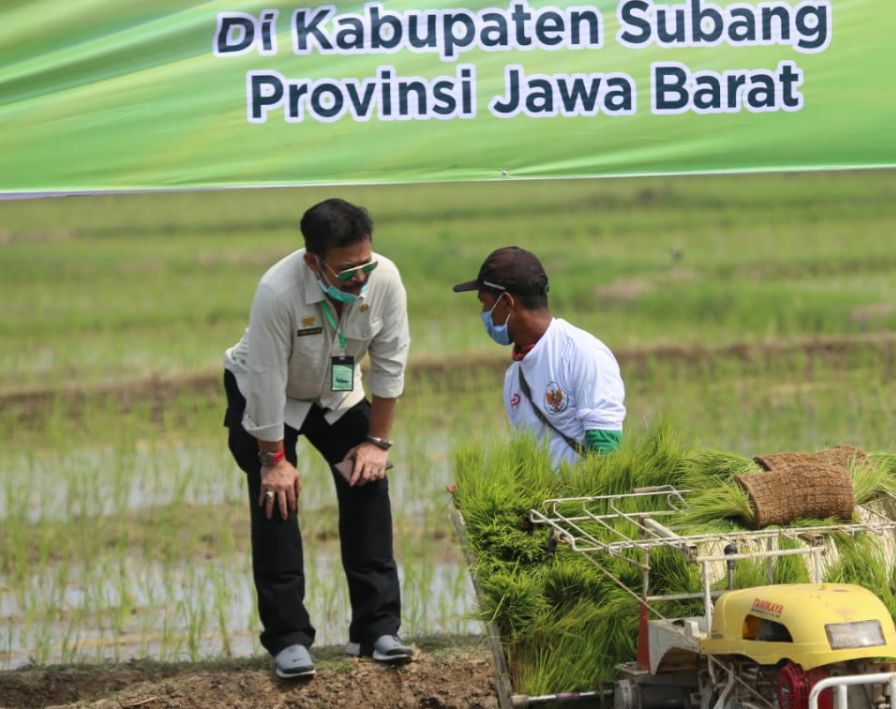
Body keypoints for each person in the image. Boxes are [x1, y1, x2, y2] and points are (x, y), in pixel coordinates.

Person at [223, 198, 414, 679]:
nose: (360, 278)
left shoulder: (385, 279)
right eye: (346, 269)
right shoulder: (278, 291)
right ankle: (288, 639)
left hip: (335, 391)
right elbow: (265, 380)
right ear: (313, 261)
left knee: (367, 480)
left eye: (365, 264)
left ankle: (376, 629)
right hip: (269, 396)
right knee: (276, 500)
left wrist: (377, 443)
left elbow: (390, 366)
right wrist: (273, 459)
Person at [453, 246, 625, 466]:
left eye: (485, 303)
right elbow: (528, 459)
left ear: (506, 302)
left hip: (582, 500)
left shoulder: (583, 354)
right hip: (547, 501)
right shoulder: (514, 376)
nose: (483, 314)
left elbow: (607, 455)